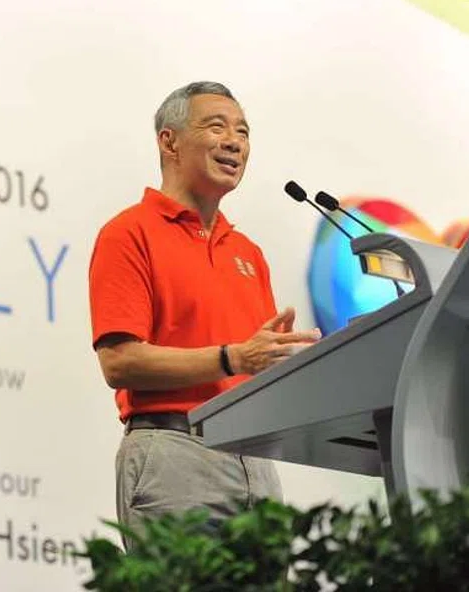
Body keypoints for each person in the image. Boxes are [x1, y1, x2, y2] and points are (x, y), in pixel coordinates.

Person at [87, 81, 321, 550]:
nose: (234, 142)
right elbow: (120, 363)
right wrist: (233, 358)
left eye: (243, 132)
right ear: (169, 142)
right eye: (217, 127)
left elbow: (253, 367)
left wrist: (290, 364)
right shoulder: (129, 233)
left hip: (255, 462)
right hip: (174, 452)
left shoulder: (247, 253)